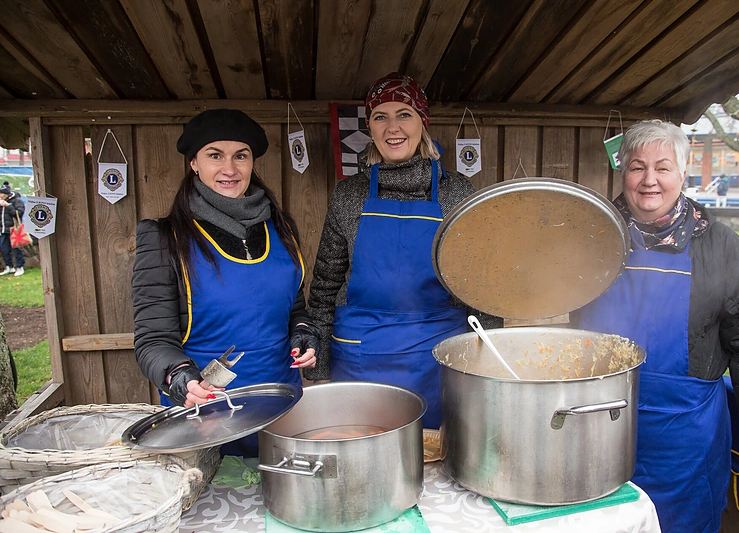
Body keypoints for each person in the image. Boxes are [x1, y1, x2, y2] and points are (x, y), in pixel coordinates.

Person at [574, 120, 739, 533]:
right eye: (637, 167)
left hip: (685, 438)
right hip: (601, 424)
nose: (649, 180)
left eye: (663, 167)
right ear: (623, 173)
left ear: (682, 174)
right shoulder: (593, 236)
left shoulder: (720, 244)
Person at [305, 73, 502, 429]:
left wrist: (487, 362)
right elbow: (324, 286)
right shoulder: (349, 195)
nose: (392, 127)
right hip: (360, 357)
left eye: (404, 114)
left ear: (422, 122)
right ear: (369, 126)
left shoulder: (457, 193)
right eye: (381, 116)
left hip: (441, 356)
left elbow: (482, 288)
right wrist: (319, 368)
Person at [132, 109, 320, 457]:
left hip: (281, 408)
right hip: (207, 418)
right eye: (215, 155)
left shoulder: (281, 228)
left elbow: (294, 307)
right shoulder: (164, 238)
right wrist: (178, 376)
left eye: (241, 156)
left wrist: (304, 331)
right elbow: (153, 340)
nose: (229, 169)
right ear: (194, 163)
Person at [0, 184, 25, 276]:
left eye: (3, 193)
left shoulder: (17, 200)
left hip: (14, 228)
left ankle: (19, 267)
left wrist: (8, 206)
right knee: (4, 249)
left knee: (16, 248)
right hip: (3, 229)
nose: (1, 195)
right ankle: (9, 267)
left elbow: (19, 213)